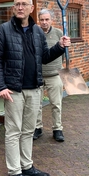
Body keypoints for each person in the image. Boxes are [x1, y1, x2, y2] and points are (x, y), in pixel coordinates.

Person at [0, 0, 71, 176]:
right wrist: (0, 87)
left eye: (24, 4)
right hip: (13, 90)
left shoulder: (36, 31)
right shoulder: (4, 30)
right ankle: (14, 173)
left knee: (28, 130)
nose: (20, 7)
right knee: (13, 132)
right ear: (13, 8)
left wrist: (60, 47)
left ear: (31, 8)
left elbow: (44, 57)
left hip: (34, 88)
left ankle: (26, 166)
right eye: (17, 4)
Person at [33, 9, 65, 142]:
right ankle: (37, 128)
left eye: (47, 19)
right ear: (39, 20)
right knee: (36, 105)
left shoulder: (58, 33)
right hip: (37, 75)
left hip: (54, 75)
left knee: (56, 104)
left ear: (51, 20)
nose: (44, 22)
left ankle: (57, 129)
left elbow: (63, 53)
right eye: (42, 20)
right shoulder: (34, 33)